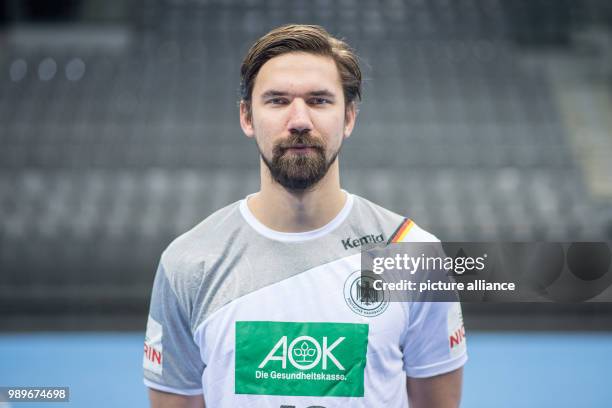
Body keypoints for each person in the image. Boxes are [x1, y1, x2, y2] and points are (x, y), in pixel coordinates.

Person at [143, 24, 467, 408]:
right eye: (278, 101)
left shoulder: (413, 254)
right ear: (247, 117)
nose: (299, 120)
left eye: (319, 101)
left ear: (349, 118)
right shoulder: (188, 261)